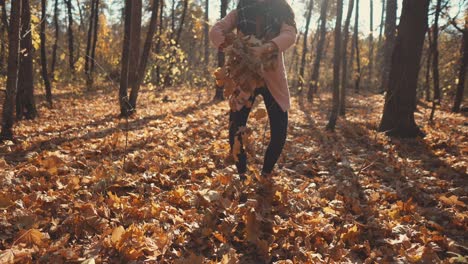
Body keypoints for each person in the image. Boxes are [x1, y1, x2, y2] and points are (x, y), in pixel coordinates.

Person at [210, 0, 297, 180]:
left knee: (279, 132)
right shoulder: (241, 9)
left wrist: (267, 47)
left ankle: (266, 173)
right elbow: (216, 30)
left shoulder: (280, 8)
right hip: (245, 77)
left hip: (273, 77)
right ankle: (242, 173)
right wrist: (232, 47)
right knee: (235, 127)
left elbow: (289, 34)